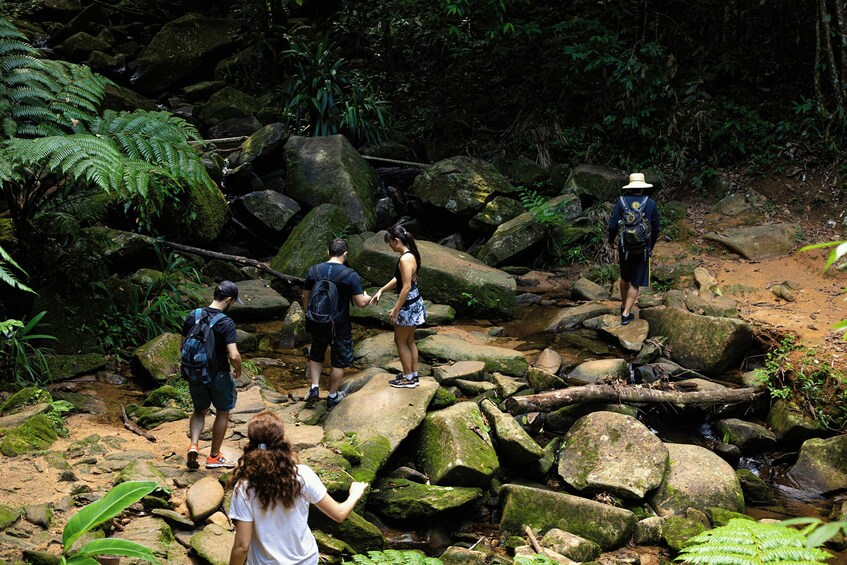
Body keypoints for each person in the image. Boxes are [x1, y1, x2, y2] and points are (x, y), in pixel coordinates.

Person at [228, 411, 367, 565]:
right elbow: (339, 514)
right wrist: (355, 494)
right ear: (282, 441)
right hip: (305, 560)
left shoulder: (245, 487)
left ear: (251, 444)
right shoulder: (303, 476)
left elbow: (242, 546)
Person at [302, 238, 371, 408]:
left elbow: (305, 296)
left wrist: (309, 314)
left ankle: (314, 387)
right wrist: (368, 298)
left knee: (317, 353)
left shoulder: (314, 270)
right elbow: (361, 303)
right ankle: (332, 395)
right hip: (340, 325)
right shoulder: (350, 275)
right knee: (338, 361)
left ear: (328, 252)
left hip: (318, 321)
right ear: (345, 254)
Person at [183, 280, 243, 469]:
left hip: (195, 373)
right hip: (218, 374)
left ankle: (194, 445)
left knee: (199, 410)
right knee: (222, 411)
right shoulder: (226, 322)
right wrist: (239, 368)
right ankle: (214, 456)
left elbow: (182, 346)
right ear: (229, 299)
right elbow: (233, 354)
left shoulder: (194, 315)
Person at [369, 225, 427, 388]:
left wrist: (396, 309)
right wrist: (382, 289)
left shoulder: (404, 259)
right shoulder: (412, 254)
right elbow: (400, 279)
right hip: (415, 302)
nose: (389, 246)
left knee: (400, 341)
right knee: (409, 341)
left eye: (390, 243)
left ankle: (407, 378)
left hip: (408, 304)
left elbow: (405, 287)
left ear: (396, 241)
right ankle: (413, 375)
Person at [608, 173, 660, 325]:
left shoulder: (621, 201)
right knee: (635, 282)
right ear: (643, 188)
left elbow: (612, 226)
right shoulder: (650, 203)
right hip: (642, 249)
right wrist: (651, 246)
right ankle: (626, 313)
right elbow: (656, 228)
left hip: (625, 248)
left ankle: (624, 305)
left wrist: (611, 241)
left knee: (625, 278)